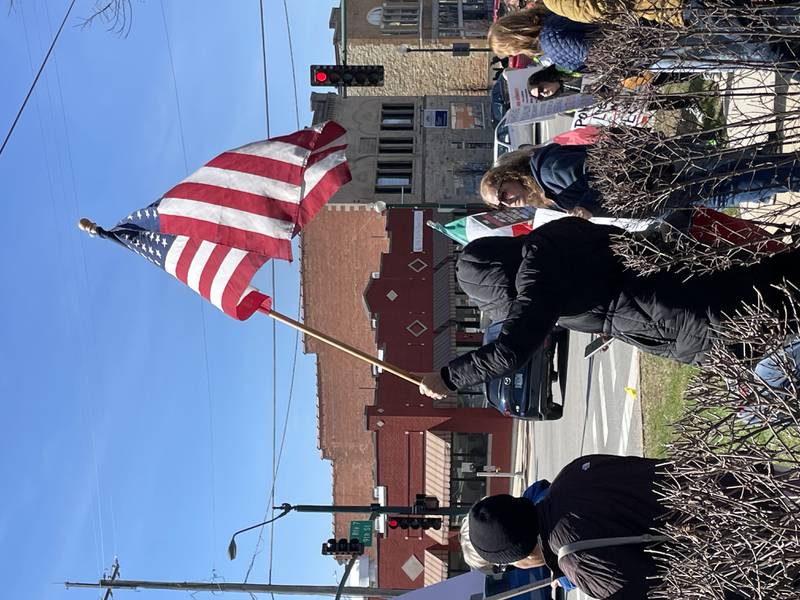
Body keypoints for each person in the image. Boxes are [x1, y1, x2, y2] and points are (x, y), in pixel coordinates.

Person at [417, 217, 800, 396]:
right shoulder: (550, 237)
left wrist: (451, 377)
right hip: (695, 281)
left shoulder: (538, 274)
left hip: (694, 318)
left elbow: (511, 349)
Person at [463, 454, 759, 599]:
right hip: (741, 481)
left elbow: (664, 594)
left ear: (520, 555)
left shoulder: (576, 560)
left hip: (751, 549)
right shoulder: (571, 474)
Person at [480, 143, 800, 218]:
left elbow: (605, 170)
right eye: (502, 204)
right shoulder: (545, 189)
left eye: (503, 193)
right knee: (733, 177)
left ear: (509, 176)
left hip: (662, 178)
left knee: (732, 181)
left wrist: (586, 209)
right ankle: (791, 170)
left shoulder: (548, 171)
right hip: (660, 190)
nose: (508, 201)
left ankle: (793, 174)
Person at [460, 479, 577, 592]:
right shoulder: (539, 492)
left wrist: (564, 575)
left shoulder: (571, 559)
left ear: (518, 553)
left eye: (506, 565)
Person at [488, 8, 597, 72]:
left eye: (510, 53)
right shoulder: (548, 16)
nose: (514, 54)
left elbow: (597, 54)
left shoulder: (550, 42)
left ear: (514, 42)